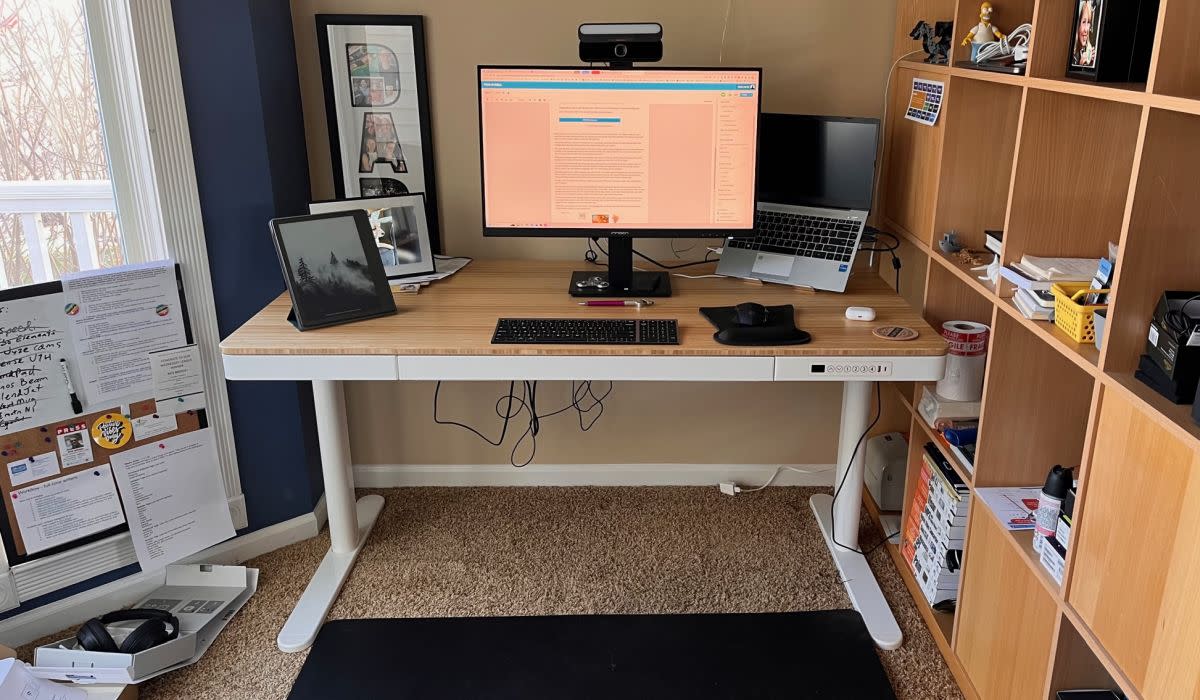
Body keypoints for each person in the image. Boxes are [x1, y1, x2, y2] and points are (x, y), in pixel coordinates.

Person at [1073, 0, 1097, 67]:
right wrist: (1080, 65)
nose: (1086, 29)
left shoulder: (1084, 50)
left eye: (1088, 22)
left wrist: (1091, 65)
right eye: (1083, 22)